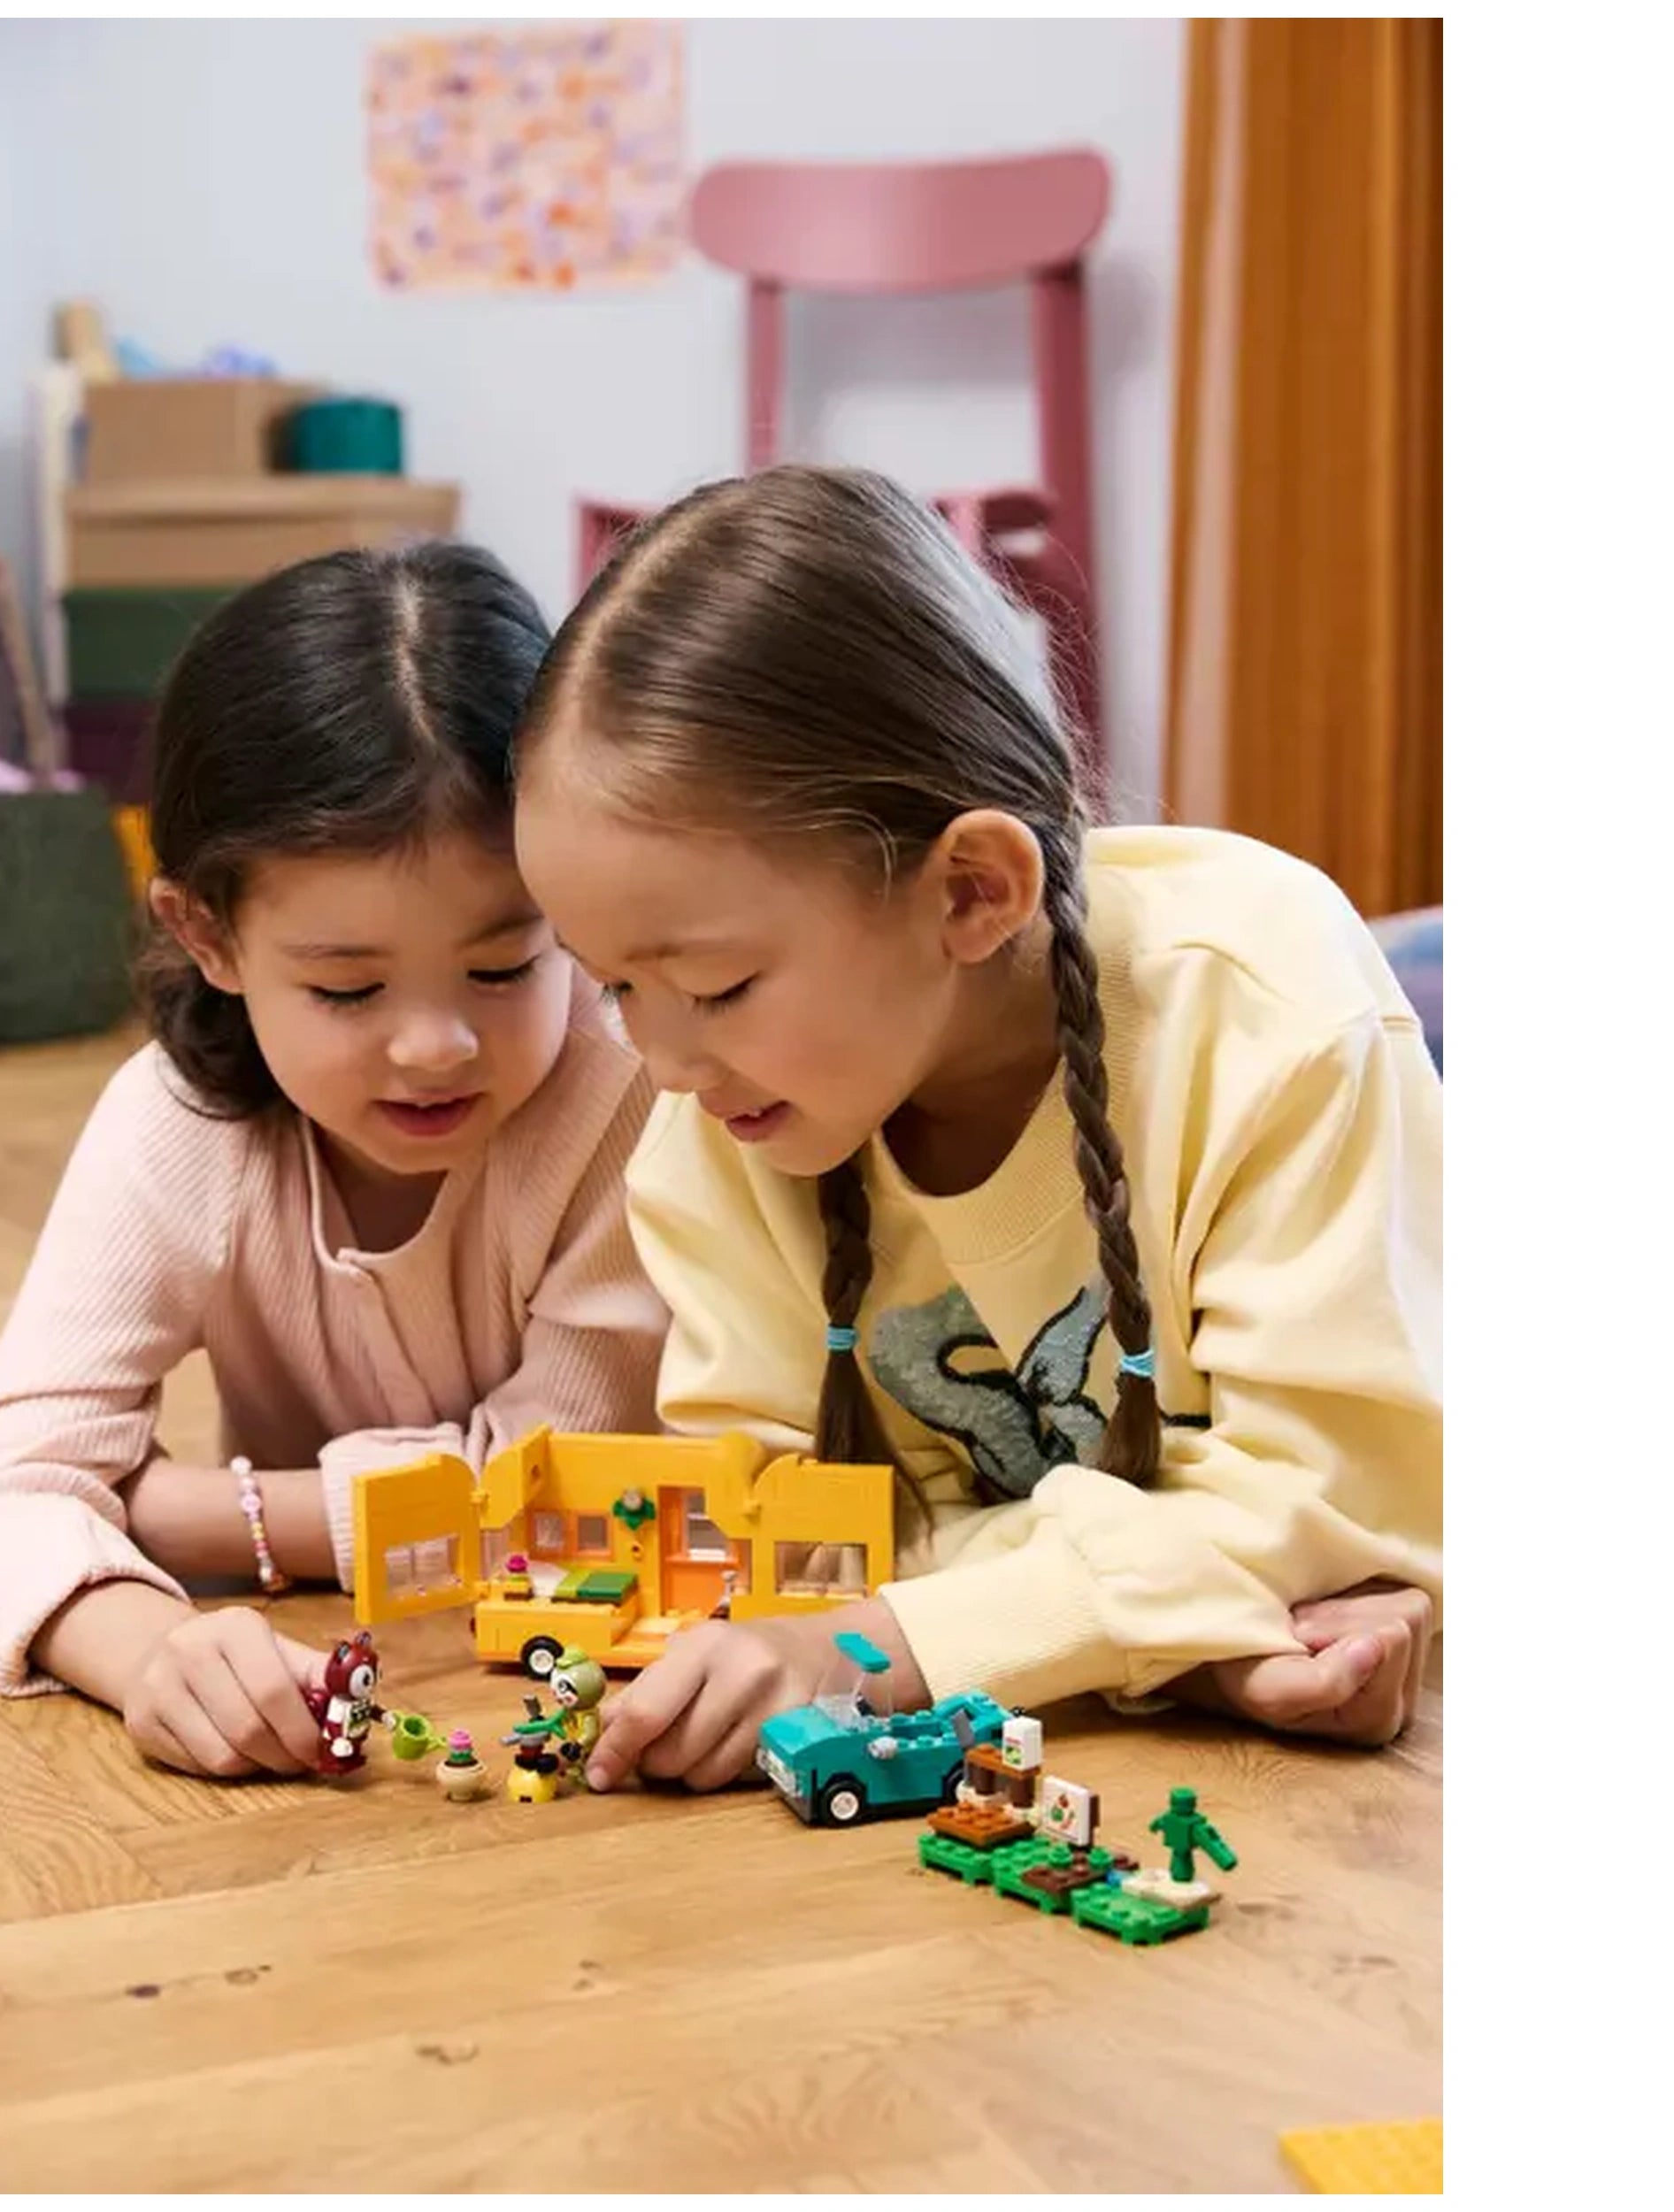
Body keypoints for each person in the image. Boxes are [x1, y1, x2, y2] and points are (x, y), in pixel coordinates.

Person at [507, 465, 1441, 1794]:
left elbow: (1355, 1496)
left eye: (714, 988)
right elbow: (802, 1534)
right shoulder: (715, 1126)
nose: (657, 1063)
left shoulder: (1265, 1009)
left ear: (971, 889)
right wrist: (1187, 1629)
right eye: (613, 986)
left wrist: (883, 1643)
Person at [0, 544, 666, 1776]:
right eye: (347, 986)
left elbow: (561, 1499)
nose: (436, 1045)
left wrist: (209, 1512)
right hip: (345, 1695)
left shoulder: (627, 1090)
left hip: (579, 1683)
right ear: (207, 934)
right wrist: (144, 1644)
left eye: (508, 965)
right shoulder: (177, 1124)